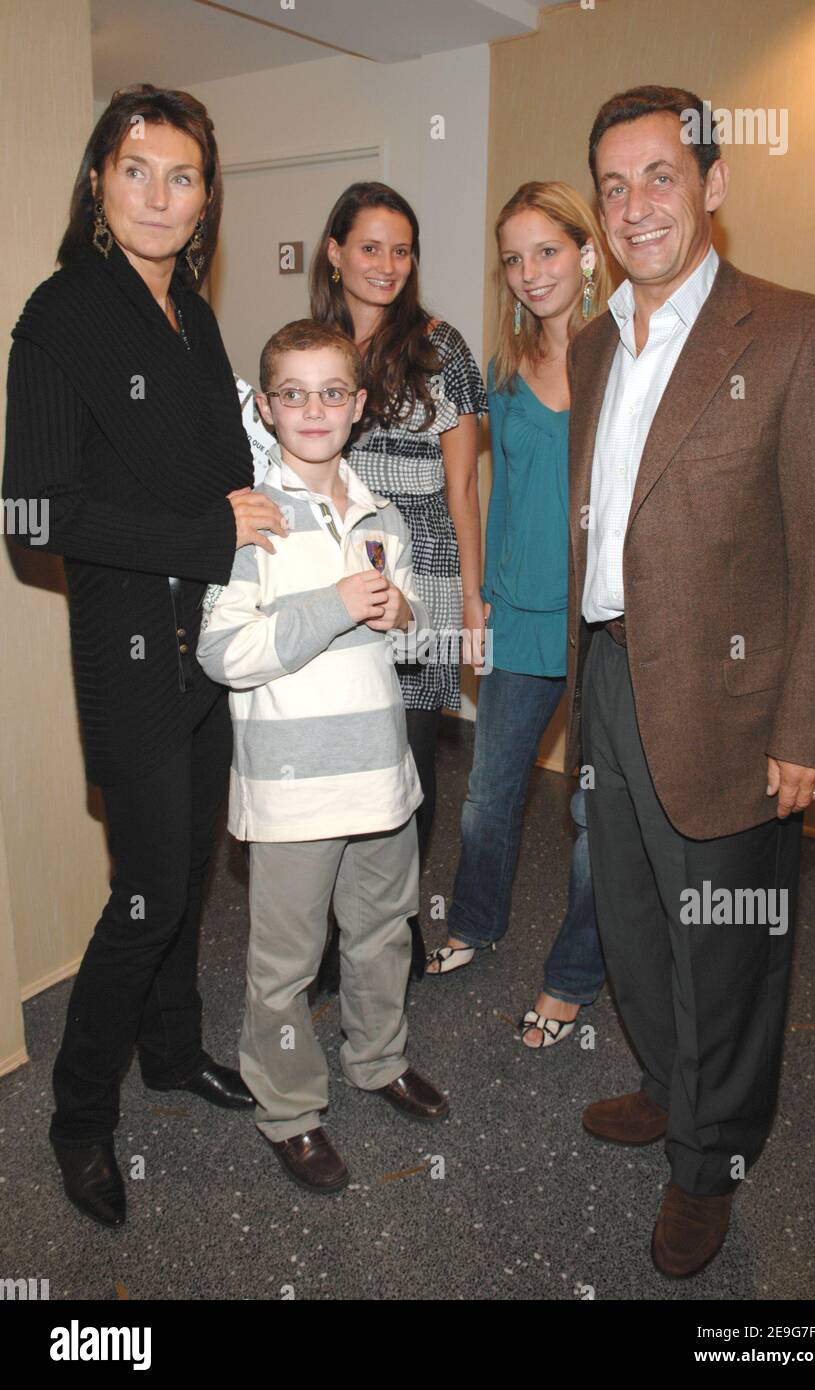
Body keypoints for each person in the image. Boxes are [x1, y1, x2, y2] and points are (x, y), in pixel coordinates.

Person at [566, 85, 815, 1277]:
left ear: (712, 182)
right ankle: (665, 1083)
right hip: (610, 676)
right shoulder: (597, 343)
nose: (636, 205)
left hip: (739, 707)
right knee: (637, 927)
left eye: (659, 175)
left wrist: (812, 724)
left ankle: (711, 1160)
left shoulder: (799, 332)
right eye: (614, 185)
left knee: (728, 951)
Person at [2, 85, 288, 1229]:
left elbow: (215, 469)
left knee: (183, 885)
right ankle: (79, 1113)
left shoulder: (195, 318)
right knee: (149, 891)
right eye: (138, 170)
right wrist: (207, 531)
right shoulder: (64, 312)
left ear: (207, 195)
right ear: (98, 182)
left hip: (210, 638)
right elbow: (32, 514)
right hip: (128, 644)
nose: (161, 195)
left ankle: (171, 1054)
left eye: (183, 175)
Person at [197, 321, 448, 1194]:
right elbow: (223, 654)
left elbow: (410, 626)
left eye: (331, 392)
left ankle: (378, 1060)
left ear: (359, 405)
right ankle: (290, 1110)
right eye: (293, 394)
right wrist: (333, 605)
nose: (314, 409)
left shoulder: (379, 511)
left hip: (380, 777)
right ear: (266, 409)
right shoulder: (251, 519)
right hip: (295, 790)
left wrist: (399, 618)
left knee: (382, 936)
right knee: (286, 968)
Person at [425, 182, 607, 1049]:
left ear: (585, 251)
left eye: (548, 250)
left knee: (590, 814)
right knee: (488, 795)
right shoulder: (500, 368)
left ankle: (573, 979)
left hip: (607, 623)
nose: (531, 272)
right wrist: (477, 594)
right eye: (514, 257)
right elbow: (478, 489)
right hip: (516, 615)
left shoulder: (627, 355)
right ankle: (471, 922)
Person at [309, 183, 488, 984]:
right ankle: (328, 935)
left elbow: (462, 489)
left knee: (408, 766)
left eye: (402, 249)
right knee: (337, 755)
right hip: (335, 578)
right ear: (335, 251)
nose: (387, 264)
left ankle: (398, 924)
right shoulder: (309, 351)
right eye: (371, 246)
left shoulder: (441, 347)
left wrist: (473, 602)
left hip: (428, 584)